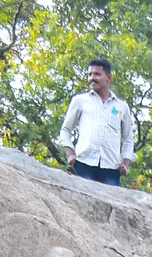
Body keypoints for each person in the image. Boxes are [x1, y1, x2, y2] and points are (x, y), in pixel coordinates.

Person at [57, 57, 135, 185]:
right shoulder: (80, 100)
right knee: (82, 201)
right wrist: (70, 153)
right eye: (90, 74)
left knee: (112, 203)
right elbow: (65, 130)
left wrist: (125, 162)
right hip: (84, 163)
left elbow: (128, 139)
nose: (92, 78)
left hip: (111, 168)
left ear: (108, 77)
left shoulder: (121, 107)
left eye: (97, 74)